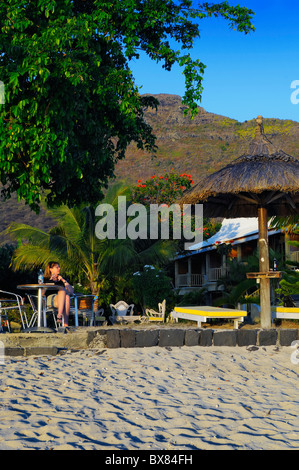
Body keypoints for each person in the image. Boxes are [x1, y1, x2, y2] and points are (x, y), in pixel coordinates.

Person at [44, 261, 74, 327]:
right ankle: (62, 320)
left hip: (61, 302)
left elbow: (71, 291)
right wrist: (50, 280)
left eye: (59, 267)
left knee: (67, 297)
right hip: (51, 300)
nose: (59, 268)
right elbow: (42, 292)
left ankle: (63, 322)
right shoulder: (45, 279)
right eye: (57, 267)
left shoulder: (61, 279)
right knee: (63, 290)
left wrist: (63, 280)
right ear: (50, 269)